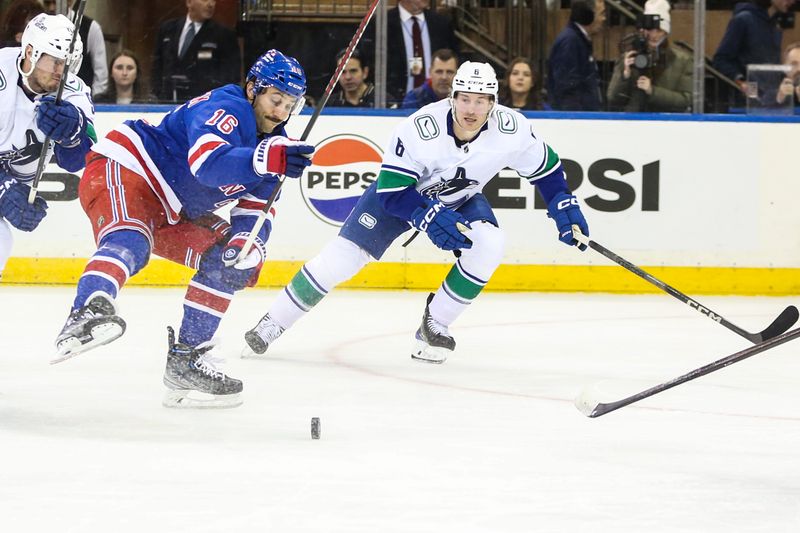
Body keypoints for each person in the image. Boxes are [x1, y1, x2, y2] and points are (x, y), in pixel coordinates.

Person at [242, 62, 589, 365]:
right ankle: (274, 321)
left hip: (458, 197)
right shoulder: (420, 128)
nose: (471, 109)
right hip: (401, 198)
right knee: (341, 260)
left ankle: (433, 325)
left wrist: (562, 202)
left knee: (490, 243)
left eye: (481, 101)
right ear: (452, 97)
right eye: (465, 98)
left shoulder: (511, 129)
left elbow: (546, 169)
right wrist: (426, 216)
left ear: (493, 104)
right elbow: (393, 193)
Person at [52, 50, 316, 409]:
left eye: (290, 104)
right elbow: (207, 165)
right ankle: (86, 312)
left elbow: (256, 213)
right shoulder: (227, 107)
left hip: (173, 210)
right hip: (129, 169)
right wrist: (264, 159)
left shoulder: (276, 149)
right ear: (253, 88)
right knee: (131, 238)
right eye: (276, 99)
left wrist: (247, 243)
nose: (280, 112)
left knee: (231, 261)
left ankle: (186, 358)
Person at [0, 13, 95, 279]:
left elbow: (78, 160)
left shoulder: (73, 92)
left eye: (69, 62)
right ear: (30, 52)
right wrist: (2, 188)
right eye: (55, 61)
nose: (61, 71)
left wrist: (72, 132)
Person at [367, 0, 460, 105]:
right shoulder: (382, 23)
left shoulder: (441, 23)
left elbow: (454, 57)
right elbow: (372, 63)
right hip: (395, 102)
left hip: (435, 101)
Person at [606, 0, 692, 113]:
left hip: (666, 123)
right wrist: (625, 75)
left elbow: (686, 100)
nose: (654, 35)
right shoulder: (630, 56)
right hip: (634, 123)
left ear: (666, 32)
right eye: (650, 29)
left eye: (659, 30)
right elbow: (612, 98)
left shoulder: (682, 60)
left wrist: (653, 91)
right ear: (643, 30)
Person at [151, 0, 241, 103]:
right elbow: (157, 66)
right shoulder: (167, 29)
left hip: (204, 106)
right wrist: (158, 94)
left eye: (213, 0)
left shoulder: (224, 35)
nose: (211, 4)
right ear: (189, 2)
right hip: (168, 102)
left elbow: (231, 76)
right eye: (205, 0)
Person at [713, 0, 796, 99]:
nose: (793, 1)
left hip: (770, 100)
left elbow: (770, 64)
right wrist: (742, 83)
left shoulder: (776, 25)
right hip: (745, 103)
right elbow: (721, 59)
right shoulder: (743, 20)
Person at [547, 0, 606, 111]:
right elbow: (567, 90)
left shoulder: (579, 40)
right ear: (588, 15)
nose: (604, 18)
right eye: (602, 13)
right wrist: (576, 121)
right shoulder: (570, 42)